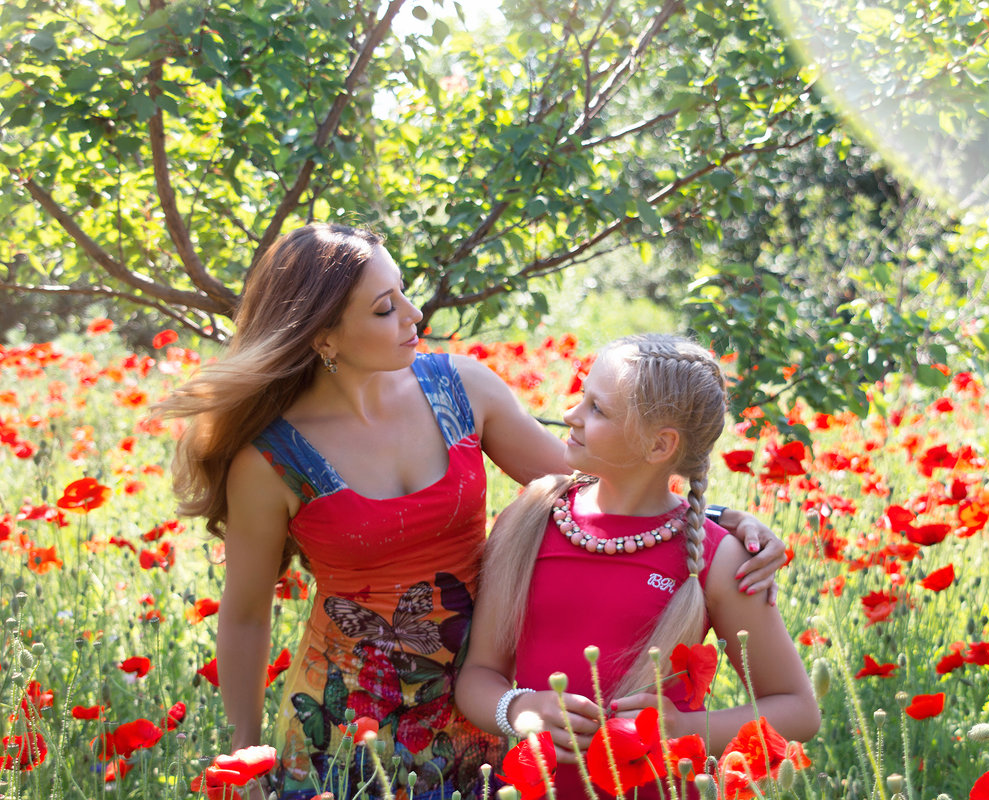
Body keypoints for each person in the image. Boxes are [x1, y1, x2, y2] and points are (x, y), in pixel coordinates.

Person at [156, 224, 785, 800]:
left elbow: (597, 479)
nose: (413, 313)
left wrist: (718, 519)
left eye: (402, 292)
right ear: (323, 337)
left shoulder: (462, 390)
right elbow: (242, 616)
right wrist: (245, 754)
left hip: (487, 703)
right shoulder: (271, 461)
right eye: (384, 308)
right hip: (347, 714)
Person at [455, 334, 821, 800]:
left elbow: (798, 710)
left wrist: (688, 728)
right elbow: (478, 677)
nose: (570, 416)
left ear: (658, 446)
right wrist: (520, 708)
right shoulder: (528, 521)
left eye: (597, 409)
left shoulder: (717, 558)